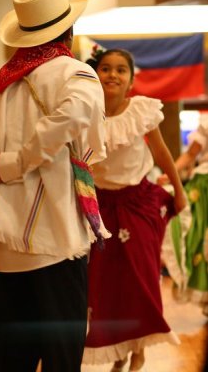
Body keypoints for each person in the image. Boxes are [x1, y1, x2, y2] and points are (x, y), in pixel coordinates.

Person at [0, 0, 107, 372]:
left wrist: (4, 165)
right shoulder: (75, 74)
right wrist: (15, 162)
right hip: (55, 240)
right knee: (61, 358)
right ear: (68, 32)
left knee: (7, 361)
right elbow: (77, 118)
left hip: (4, 248)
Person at [82, 48, 187, 372]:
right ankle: (119, 350)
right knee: (106, 284)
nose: (112, 74)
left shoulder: (140, 110)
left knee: (141, 278)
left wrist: (178, 189)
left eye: (121, 70)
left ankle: (140, 346)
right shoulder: (85, 114)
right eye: (105, 68)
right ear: (95, 75)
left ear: (130, 81)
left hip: (139, 204)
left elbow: (161, 152)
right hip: (101, 209)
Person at [157, 115, 208, 315]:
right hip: (205, 188)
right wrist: (170, 173)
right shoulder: (206, 123)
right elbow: (190, 155)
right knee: (199, 241)